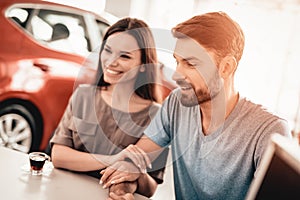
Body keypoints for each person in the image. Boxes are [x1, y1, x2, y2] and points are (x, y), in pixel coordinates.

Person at [99, 12, 291, 200]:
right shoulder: (176, 103)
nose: (176, 75)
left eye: (191, 64)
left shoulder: (269, 131)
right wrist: (122, 190)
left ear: (226, 67)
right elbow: (134, 160)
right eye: (177, 61)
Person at [50, 17, 168, 199]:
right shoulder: (83, 96)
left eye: (125, 56)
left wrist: (136, 171)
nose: (111, 61)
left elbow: (150, 189)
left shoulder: (156, 116)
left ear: (144, 66)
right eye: (108, 50)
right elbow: (58, 156)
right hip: (63, 193)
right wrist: (113, 159)